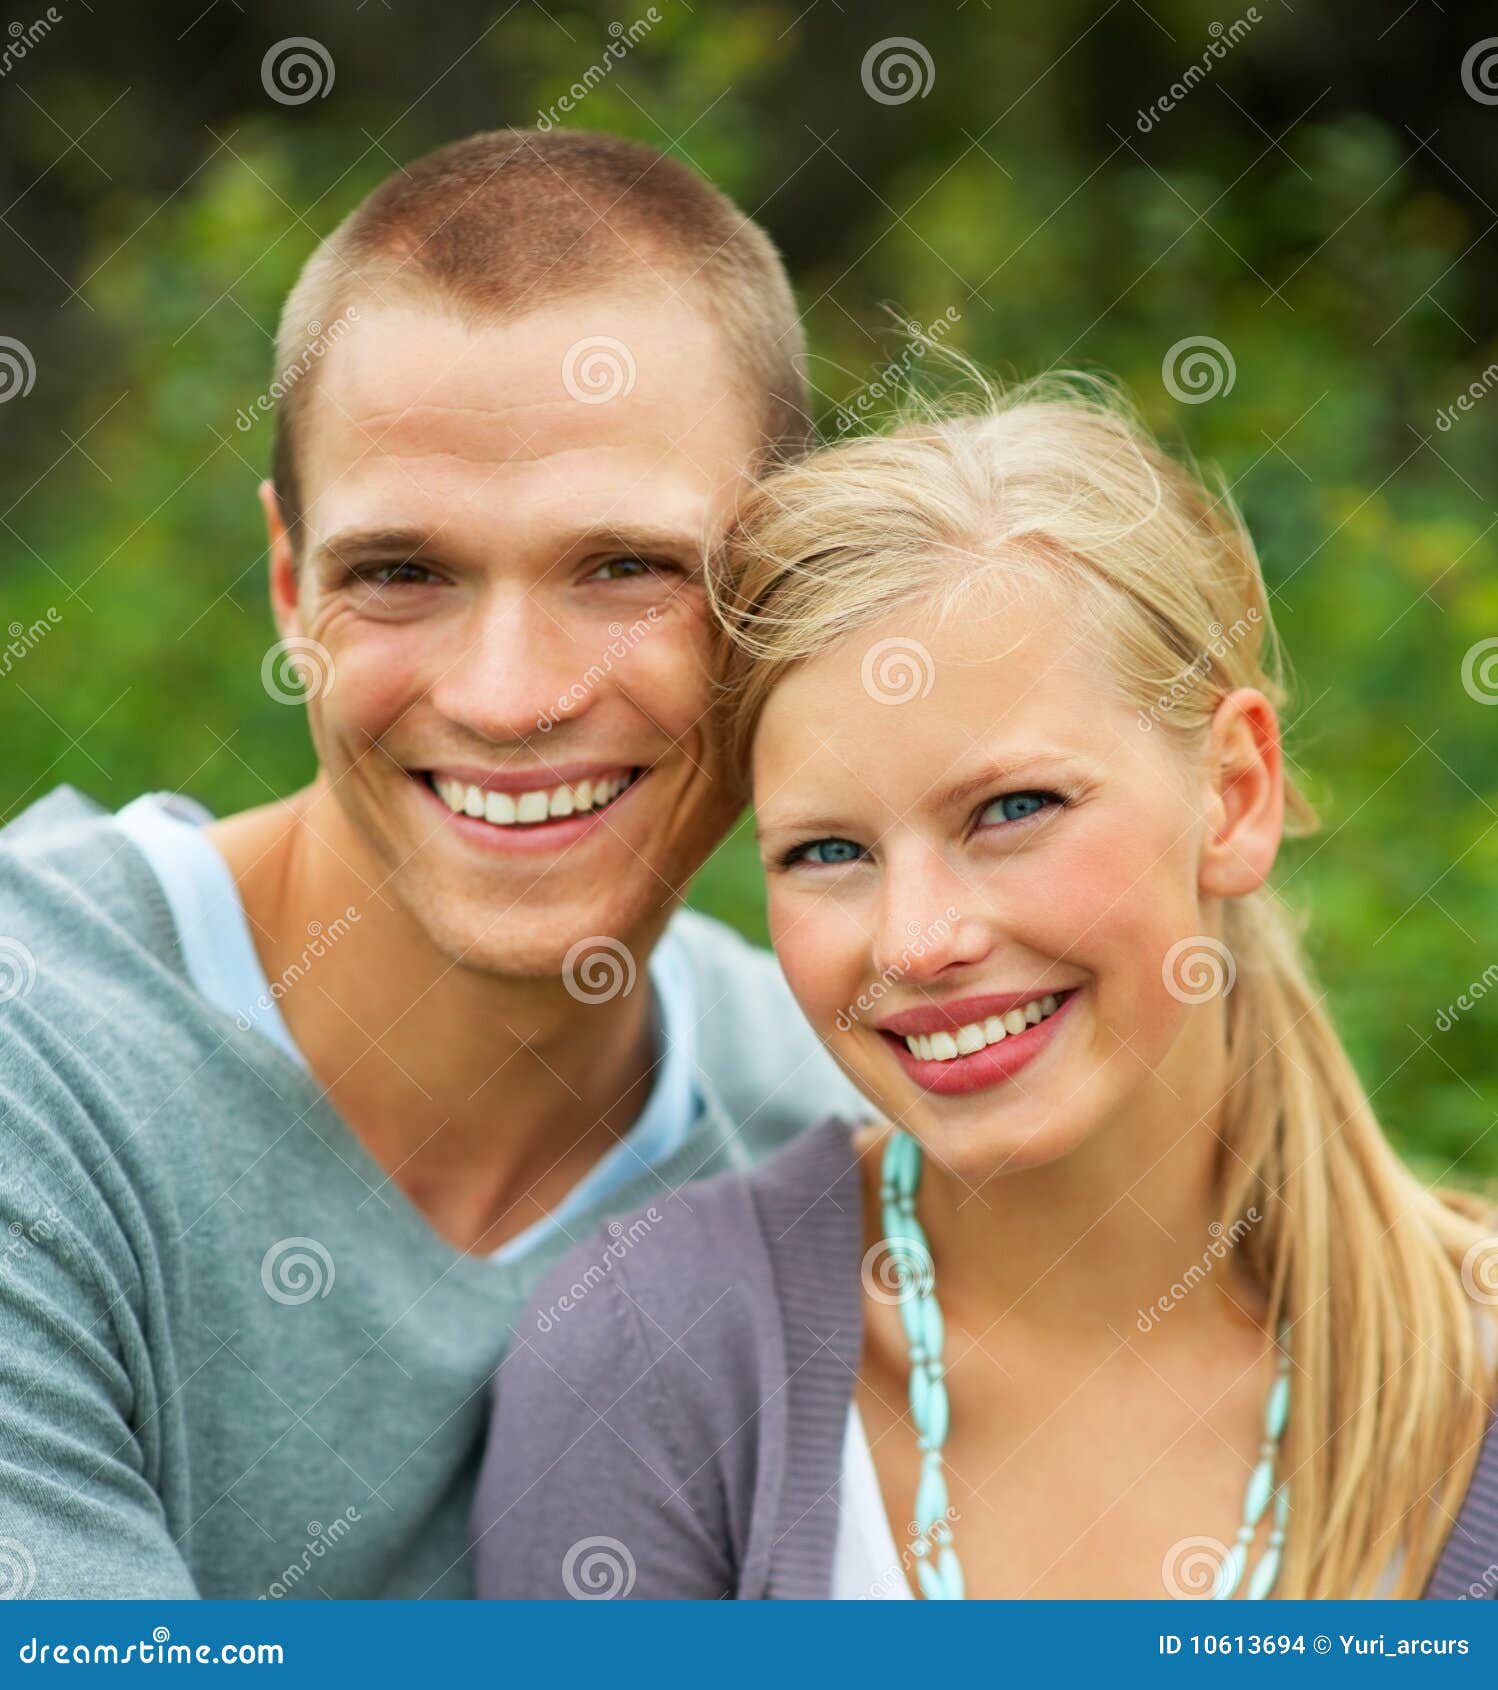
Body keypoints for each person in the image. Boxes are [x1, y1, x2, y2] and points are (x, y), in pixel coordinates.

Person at [0, 128, 859, 1599]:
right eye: (401, 574)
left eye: (624, 568)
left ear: (784, 584)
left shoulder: (841, 1120)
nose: (508, 695)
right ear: (289, 583)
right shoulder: (38, 1069)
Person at [472, 375, 1498, 1600]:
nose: (915, 942)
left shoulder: (1466, 1389)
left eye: (1013, 810)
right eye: (828, 852)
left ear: (1232, 794)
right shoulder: (651, 1357)